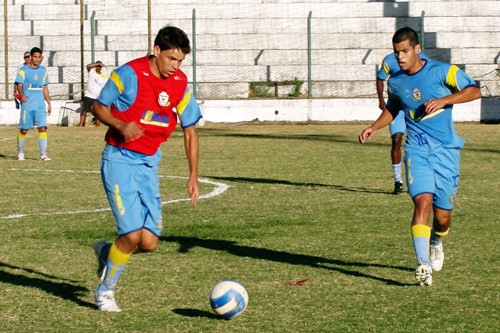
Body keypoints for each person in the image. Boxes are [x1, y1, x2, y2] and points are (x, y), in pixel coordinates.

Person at [91, 25, 202, 312]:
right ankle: (105, 291)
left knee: (149, 242)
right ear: (156, 51)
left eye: (180, 61)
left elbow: (190, 129)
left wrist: (193, 175)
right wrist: (119, 124)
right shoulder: (129, 74)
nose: (175, 67)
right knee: (130, 234)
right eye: (171, 59)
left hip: (149, 163)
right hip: (119, 159)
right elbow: (99, 107)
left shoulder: (179, 83)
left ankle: (107, 252)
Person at [359, 27, 480, 286]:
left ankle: (437, 241)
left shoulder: (443, 71)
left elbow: (474, 91)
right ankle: (423, 264)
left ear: (417, 49)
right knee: (421, 202)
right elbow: (393, 108)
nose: (399, 57)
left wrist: (445, 99)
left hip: (446, 151)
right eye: (396, 52)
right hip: (416, 149)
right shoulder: (396, 81)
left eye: (404, 51)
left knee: (443, 216)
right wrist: (374, 126)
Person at [376, 51, 430, 195]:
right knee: (396, 139)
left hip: (415, 108)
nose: (401, 54)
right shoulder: (389, 60)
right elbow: (380, 77)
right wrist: (381, 99)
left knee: (419, 142)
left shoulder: (423, 59)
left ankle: (422, 178)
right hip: (397, 108)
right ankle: (398, 180)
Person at [15, 47, 52, 161]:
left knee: (42, 128)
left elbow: (45, 87)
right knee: (24, 130)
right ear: (30, 57)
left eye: (38, 57)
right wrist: (22, 95)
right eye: (34, 57)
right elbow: (19, 85)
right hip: (28, 105)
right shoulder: (23, 70)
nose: (36, 59)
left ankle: (43, 154)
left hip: (40, 105)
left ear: (41, 58)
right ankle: (20, 152)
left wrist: (49, 103)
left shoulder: (43, 70)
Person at [79, 61, 109, 127]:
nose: (98, 67)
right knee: (84, 111)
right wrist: (97, 64)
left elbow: (105, 87)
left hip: (98, 97)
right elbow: (88, 66)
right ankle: (81, 125)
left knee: (97, 113)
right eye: (97, 66)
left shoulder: (104, 76)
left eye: (100, 66)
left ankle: (97, 126)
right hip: (89, 95)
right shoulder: (92, 72)